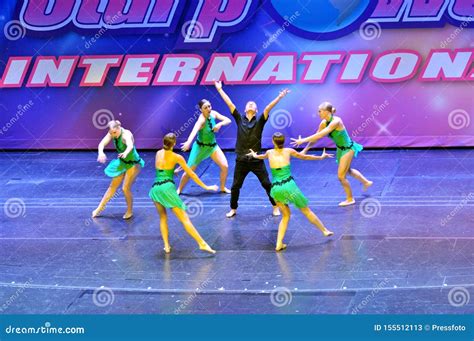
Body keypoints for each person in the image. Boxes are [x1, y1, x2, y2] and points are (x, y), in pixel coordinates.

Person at [214, 80, 290, 218]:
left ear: (256, 110)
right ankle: (233, 208)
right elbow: (229, 103)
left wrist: (279, 97)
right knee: (235, 186)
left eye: (253, 104)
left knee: (267, 184)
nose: (250, 104)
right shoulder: (239, 119)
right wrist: (219, 90)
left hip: (256, 159)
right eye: (248, 104)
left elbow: (267, 108)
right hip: (241, 159)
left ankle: (275, 206)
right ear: (244, 109)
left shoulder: (260, 120)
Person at [248, 132, 334, 251]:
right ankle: (324, 230)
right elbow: (305, 157)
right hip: (290, 186)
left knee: (286, 216)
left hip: (276, 189)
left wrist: (254, 155)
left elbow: (261, 156)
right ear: (283, 142)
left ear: (273, 142)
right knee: (306, 211)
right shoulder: (289, 151)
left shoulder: (269, 152)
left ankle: (279, 244)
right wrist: (321, 157)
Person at [291, 102, 373, 206]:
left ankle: (350, 199)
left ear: (326, 112)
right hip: (340, 149)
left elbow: (321, 134)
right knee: (348, 170)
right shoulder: (323, 123)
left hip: (348, 149)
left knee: (341, 176)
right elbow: (316, 137)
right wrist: (305, 149)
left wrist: (302, 140)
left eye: (319, 111)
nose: (318, 113)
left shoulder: (336, 121)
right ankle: (366, 182)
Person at [149, 133, 218, 254]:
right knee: (185, 219)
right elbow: (191, 174)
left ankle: (166, 246)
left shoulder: (158, 153)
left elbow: (161, 170)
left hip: (155, 189)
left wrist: (173, 171)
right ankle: (201, 243)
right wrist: (206, 186)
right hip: (167, 189)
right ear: (174, 143)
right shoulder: (177, 157)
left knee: (163, 217)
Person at [177, 99, 231, 194]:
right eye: (205, 107)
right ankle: (179, 189)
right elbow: (194, 131)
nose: (208, 109)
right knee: (189, 171)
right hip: (200, 148)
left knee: (225, 166)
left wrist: (220, 124)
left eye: (209, 106)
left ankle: (222, 187)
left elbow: (228, 120)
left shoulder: (213, 114)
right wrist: (188, 142)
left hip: (212, 147)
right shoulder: (201, 120)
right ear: (201, 110)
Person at [93, 120, 144, 219]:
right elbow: (101, 144)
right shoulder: (112, 132)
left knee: (125, 188)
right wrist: (101, 152)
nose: (113, 135)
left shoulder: (126, 135)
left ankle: (129, 211)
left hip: (133, 163)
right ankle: (99, 208)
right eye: (111, 133)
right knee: (112, 186)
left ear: (119, 128)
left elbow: (130, 145)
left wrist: (125, 152)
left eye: (114, 132)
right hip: (122, 163)